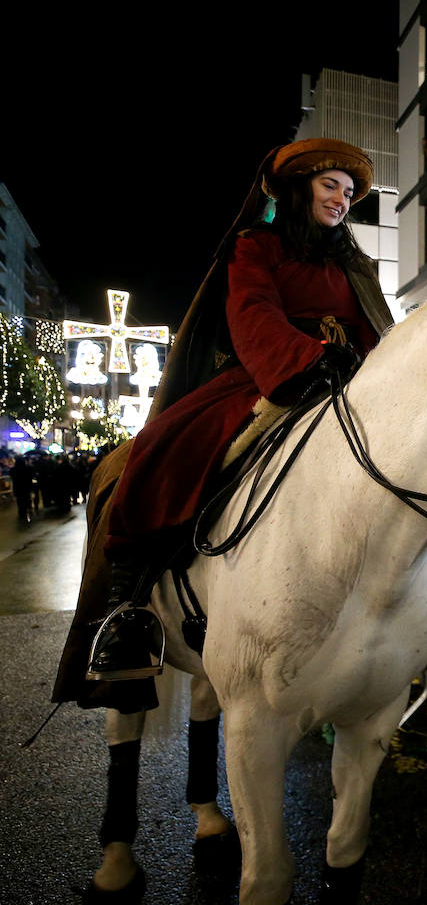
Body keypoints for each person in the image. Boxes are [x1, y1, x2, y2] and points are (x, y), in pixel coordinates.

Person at [76, 138, 391, 687]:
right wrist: (307, 357)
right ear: (299, 188)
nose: (341, 200)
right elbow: (253, 311)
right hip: (273, 372)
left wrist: (381, 370)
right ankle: (127, 606)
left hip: (352, 376)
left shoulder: (355, 263)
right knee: (161, 446)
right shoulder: (256, 246)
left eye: (347, 192)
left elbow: (376, 327)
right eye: (330, 186)